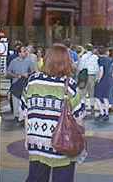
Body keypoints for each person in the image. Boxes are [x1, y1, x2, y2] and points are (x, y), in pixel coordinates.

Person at [21, 43, 85, 182]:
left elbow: (25, 112)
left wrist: (27, 137)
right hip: (62, 142)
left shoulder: (32, 81)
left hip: (36, 141)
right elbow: (79, 118)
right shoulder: (70, 85)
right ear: (67, 62)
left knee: (36, 178)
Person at [6, 46, 36, 123]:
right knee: (16, 103)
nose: (25, 53)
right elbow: (8, 73)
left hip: (25, 85)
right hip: (16, 85)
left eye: (25, 51)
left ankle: (23, 117)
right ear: (19, 53)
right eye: (23, 51)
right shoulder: (13, 61)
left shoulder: (29, 61)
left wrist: (28, 74)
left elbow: (33, 72)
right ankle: (16, 117)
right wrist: (16, 75)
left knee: (24, 102)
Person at [77, 44, 99, 114]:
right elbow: (97, 67)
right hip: (92, 76)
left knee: (83, 93)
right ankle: (92, 108)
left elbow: (80, 67)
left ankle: (84, 109)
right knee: (92, 93)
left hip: (85, 76)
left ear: (86, 49)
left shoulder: (83, 56)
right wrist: (97, 76)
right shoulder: (95, 57)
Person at [94, 47, 113, 121]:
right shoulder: (110, 59)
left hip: (102, 80)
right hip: (108, 79)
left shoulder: (100, 60)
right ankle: (106, 113)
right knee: (105, 97)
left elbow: (101, 70)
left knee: (97, 97)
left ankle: (101, 112)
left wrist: (98, 79)